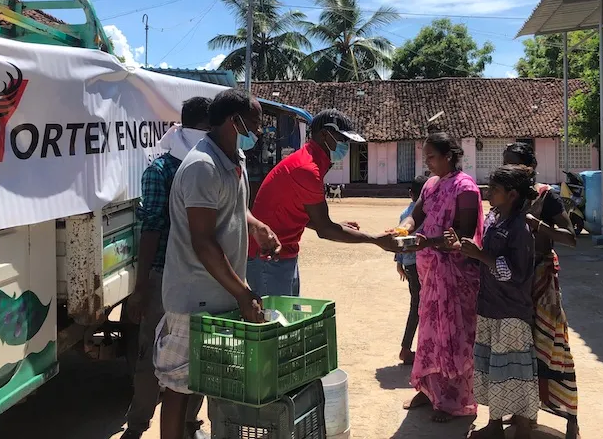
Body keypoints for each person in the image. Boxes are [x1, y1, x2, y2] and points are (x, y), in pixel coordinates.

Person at [154, 88, 281, 439]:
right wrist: (243, 293)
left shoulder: (234, 158)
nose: (260, 130)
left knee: (206, 380)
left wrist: (257, 227)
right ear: (233, 121)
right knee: (178, 386)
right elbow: (203, 241)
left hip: (220, 294)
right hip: (192, 297)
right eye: (255, 123)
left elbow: (235, 208)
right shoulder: (202, 167)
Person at [120, 96, 211, 439]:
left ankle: (189, 423)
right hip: (165, 277)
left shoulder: (212, 165)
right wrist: (141, 287)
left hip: (202, 278)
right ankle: (138, 425)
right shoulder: (162, 170)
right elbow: (152, 229)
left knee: (200, 355)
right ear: (201, 127)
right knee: (151, 356)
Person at [247, 109, 400, 297]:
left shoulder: (310, 161)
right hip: (268, 258)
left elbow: (298, 213)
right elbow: (324, 229)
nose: (346, 145)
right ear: (325, 135)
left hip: (281, 254)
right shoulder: (308, 169)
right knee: (275, 323)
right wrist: (376, 240)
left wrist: (336, 226)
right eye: (342, 139)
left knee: (288, 319)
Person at [401, 132, 483, 423]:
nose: (428, 163)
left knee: (454, 336)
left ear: (449, 156)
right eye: (426, 158)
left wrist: (428, 242)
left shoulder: (466, 188)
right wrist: (405, 228)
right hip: (430, 274)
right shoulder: (432, 185)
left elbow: (464, 233)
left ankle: (452, 400)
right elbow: (417, 215)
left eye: (432, 157)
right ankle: (427, 387)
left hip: (456, 274)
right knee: (430, 333)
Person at [454, 165, 540, 439]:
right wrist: (463, 248)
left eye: (494, 189)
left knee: (515, 369)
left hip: (511, 310)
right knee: (493, 368)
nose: (487, 193)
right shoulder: (495, 218)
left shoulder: (520, 228)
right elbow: (485, 256)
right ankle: (494, 424)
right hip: (490, 306)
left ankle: (524, 427)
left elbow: (516, 273)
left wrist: (480, 256)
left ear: (512, 194)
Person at [503, 143, 580, 439]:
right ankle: (523, 411)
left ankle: (571, 419)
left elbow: (571, 238)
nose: (508, 168)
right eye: (505, 163)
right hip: (515, 282)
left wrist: (539, 225)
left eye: (513, 164)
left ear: (529, 167)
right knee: (520, 349)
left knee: (552, 348)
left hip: (541, 282)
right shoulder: (509, 196)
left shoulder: (546, 197)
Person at [395, 175, 428, 365]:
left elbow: (399, 241)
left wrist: (399, 262)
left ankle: (409, 348)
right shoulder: (426, 213)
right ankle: (407, 349)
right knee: (420, 306)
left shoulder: (405, 213)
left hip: (409, 264)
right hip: (420, 264)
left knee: (417, 305)